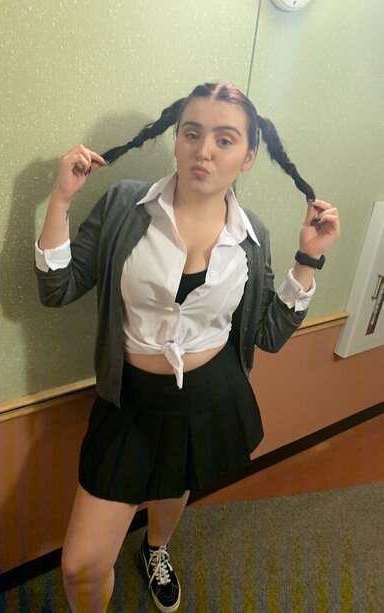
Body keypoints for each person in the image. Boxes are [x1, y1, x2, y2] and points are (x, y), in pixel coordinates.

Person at [34, 82, 340, 613]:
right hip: (130, 401)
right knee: (82, 564)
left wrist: (307, 260)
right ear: (176, 140)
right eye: (192, 133)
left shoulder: (252, 236)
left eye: (225, 140)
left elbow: (267, 334)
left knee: (177, 480)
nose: (204, 150)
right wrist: (60, 198)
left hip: (208, 395)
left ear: (248, 157)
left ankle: (156, 547)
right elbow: (56, 288)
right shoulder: (124, 205)